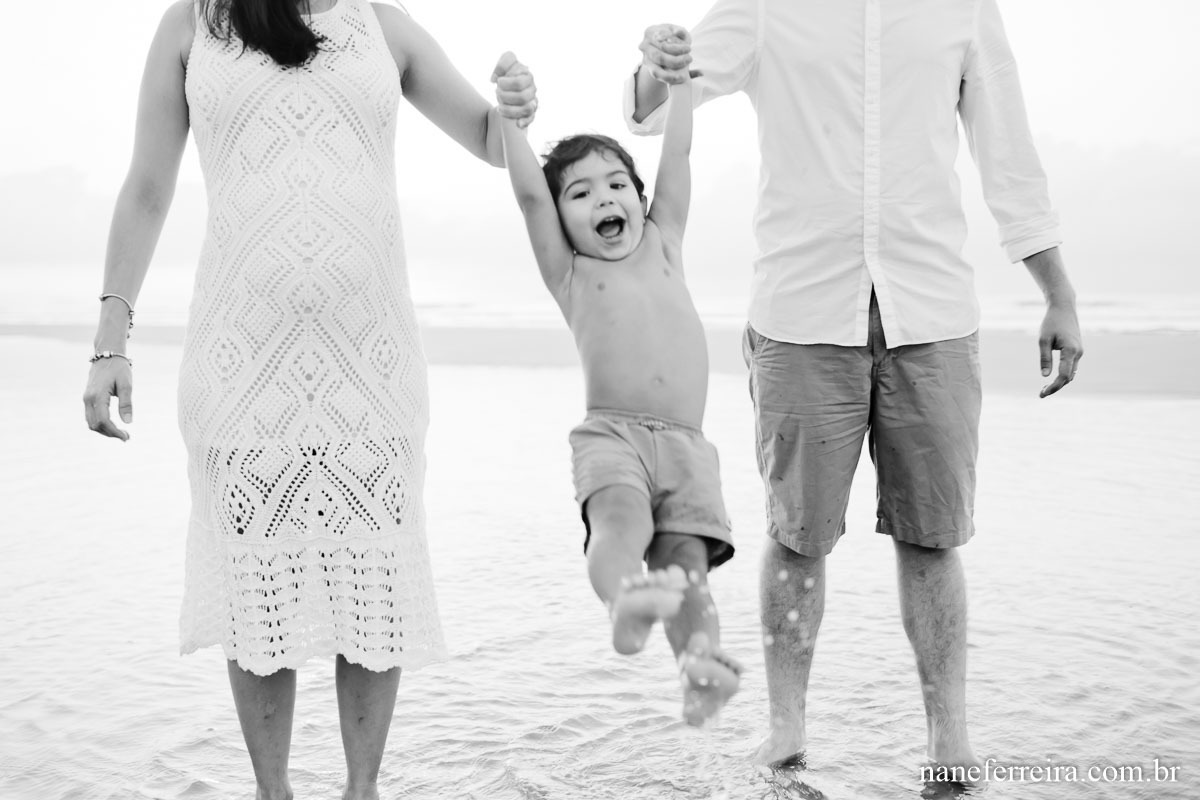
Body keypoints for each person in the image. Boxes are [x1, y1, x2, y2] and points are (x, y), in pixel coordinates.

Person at [81, 1, 535, 797]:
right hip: (241, 362)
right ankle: (273, 791)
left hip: (372, 363)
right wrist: (110, 343)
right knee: (259, 588)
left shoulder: (382, 25)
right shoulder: (192, 24)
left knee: (376, 579)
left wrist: (520, 110)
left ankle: (363, 790)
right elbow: (148, 188)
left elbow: (492, 141)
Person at [626, 0, 1084, 769]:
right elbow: (654, 104)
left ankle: (949, 736)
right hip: (801, 313)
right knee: (797, 537)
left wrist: (1058, 293)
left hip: (930, 313)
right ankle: (787, 730)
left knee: (933, 538)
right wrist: (654, 61)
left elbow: (1008, 154)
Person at [490, 50, 742, 726]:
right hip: (614, 435)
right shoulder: (569, 272)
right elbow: (525, 195)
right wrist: (512, 119)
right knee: (621, 525)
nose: (605, 197)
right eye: (580, 193)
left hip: (690, 448)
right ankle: (625, 602)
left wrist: (684, 86)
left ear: (638, 195)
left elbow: (679, 160)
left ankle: (699, 669)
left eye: (616, 184)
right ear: (563, 219)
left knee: (687, 564)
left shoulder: (665, 239)